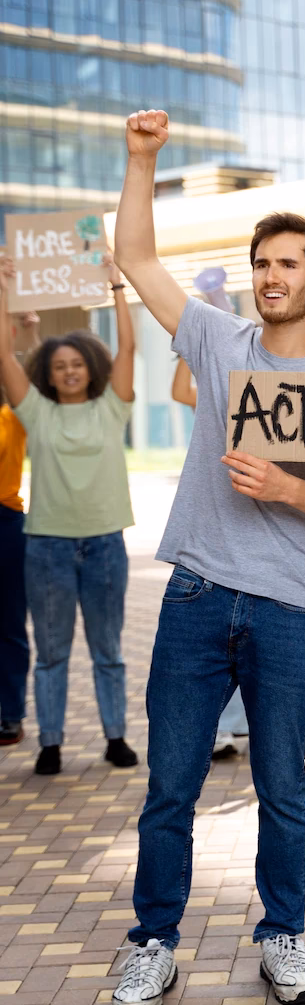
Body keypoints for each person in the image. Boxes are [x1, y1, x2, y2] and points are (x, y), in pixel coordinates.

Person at [110, 109, 305, 1005]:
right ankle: (152, 946)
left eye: (286, 266)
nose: (269, 278)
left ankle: (283, 938)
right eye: (260, 265)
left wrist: (289, 490)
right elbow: (140, 260)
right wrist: (141, 160)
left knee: (285, 791)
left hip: (286, 610)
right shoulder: (219, 340)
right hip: (194, 595)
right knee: (170, 786)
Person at [0, 254, 138, 777]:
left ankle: (115, 738)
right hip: (48, 548)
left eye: (76, 363)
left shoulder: (114, 406)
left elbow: (128, 347)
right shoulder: (36, 410)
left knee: (109, 651)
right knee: (51, 652)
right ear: (48, 375)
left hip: (104, 544)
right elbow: (4, 357)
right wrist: (5, 291)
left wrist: (117, 287)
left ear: (89, 367)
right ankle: (51, 743)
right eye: (58, 367)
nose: (69, 371)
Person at [170, 356, 250, 760]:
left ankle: (238, 725)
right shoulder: (222, 397)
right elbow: (180, 392)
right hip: (217, 535)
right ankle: (221, 729)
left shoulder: (285, 395)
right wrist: (191, 354)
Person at [0, 286, 40, 747]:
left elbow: (33, 378)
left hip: (7, 524)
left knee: (10, 624)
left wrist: (27, 332)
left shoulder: (15, 417)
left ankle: (11, 714)